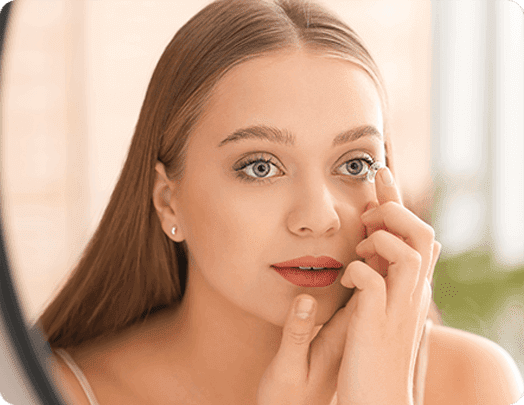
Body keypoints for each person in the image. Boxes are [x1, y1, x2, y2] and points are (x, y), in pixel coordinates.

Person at [33, 0, 523, 404]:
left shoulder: (472, 384)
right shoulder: (55, 391)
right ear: (168, 202)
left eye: (354, 165)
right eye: (260, 167)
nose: (319, 217)